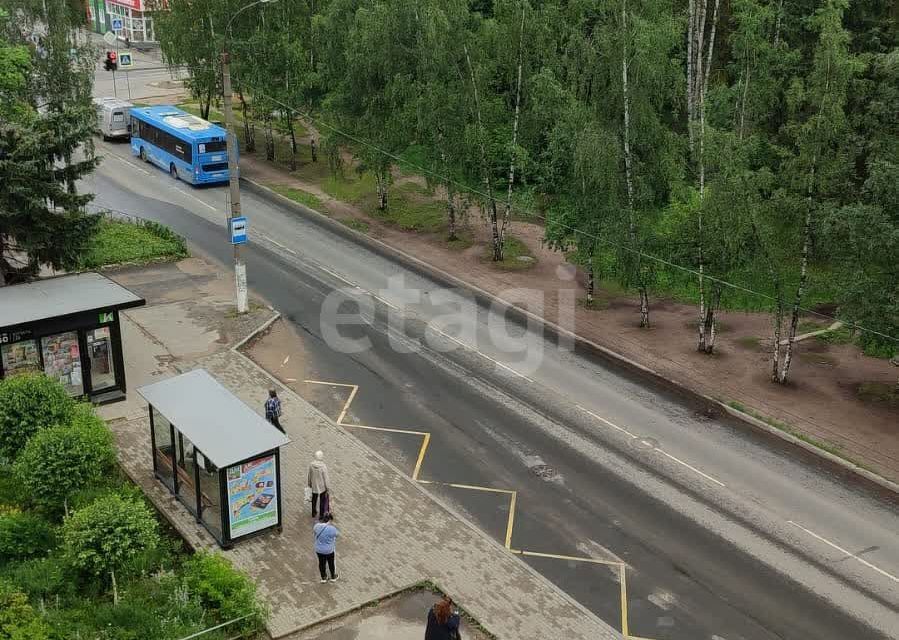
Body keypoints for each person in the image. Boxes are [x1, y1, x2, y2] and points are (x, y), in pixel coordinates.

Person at [313, 513, 339, 583]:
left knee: (321, 563)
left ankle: (323, 577)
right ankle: (333, 577)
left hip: (319, 550)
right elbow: (337, 535)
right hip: (329, 550)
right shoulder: (332, 529)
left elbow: (315, 533)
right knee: (331, 563)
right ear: (329, 520)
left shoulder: (316, 526)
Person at [307, 450, 331, 518]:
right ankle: (321, 515)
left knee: (314, 499)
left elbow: (309, 475)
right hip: (322, 487)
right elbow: (326, 478)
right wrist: (328, 488)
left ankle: (313, 512)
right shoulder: (323, 466)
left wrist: (309, 483)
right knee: (322, 501)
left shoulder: (311, 465)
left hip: (314, 485)